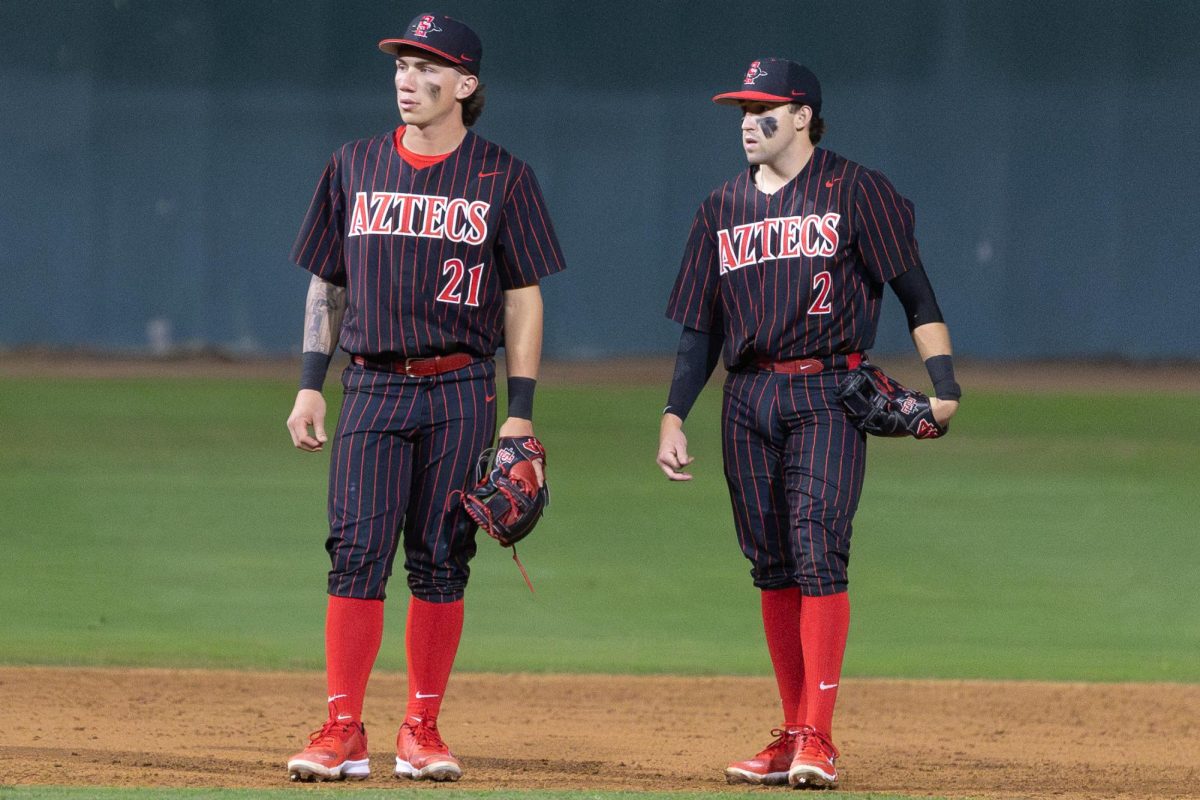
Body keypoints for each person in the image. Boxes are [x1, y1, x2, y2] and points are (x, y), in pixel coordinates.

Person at [657, 58, 960, 789]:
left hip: (830, 393)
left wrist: (943, 384)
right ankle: (792, 731)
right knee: (772, 566)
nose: (746, 122)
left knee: (818, 548)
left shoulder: (859, 191)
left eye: (761, 109)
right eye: (740, 109)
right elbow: (700, 330)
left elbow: (916, 296)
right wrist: (673, 413)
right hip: (747, 400)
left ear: (802, 116)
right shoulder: (720, 207)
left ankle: (818, 739)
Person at [283, 12, 564, 783]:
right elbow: (328, 282)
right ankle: (343, 728)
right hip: (371, 384)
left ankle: (422, 728)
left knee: (442, 561)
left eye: (429, 67)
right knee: (356, 556)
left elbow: (524, 299)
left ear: (465, 85)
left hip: (463, 388)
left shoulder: (503, 175)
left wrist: (520, 407)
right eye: (402, 65)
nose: (409, 79)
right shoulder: (353, 164)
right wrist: (310, 384)